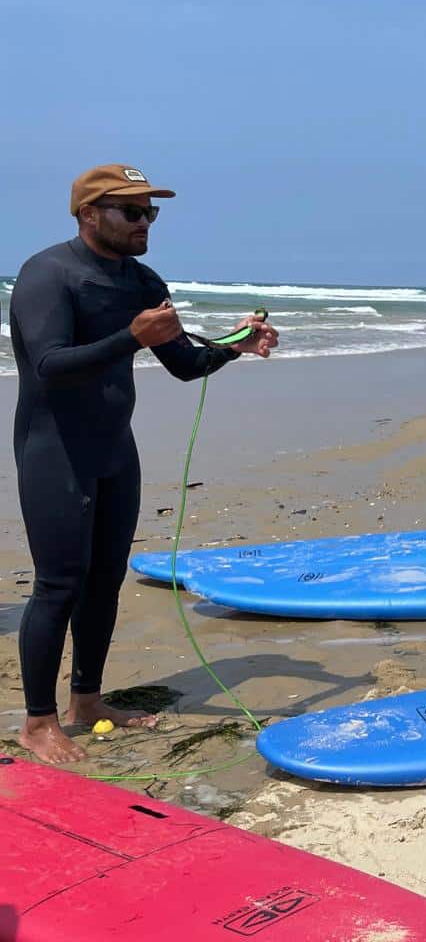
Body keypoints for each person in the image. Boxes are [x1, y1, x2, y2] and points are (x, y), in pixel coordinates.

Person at [10, 164, 279, 763]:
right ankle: (37, 721)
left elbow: (184, 364)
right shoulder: (46, 274)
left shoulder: (142, 280)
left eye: (150, 212)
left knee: (105, 581)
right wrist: (132, 337)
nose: (144, 222)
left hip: (113, 448)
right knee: (59, 585)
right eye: (132, 211)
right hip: (55, 448)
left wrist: (236, 345)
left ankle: (86, 701)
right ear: (88, 214)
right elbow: (49, 365)